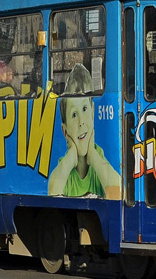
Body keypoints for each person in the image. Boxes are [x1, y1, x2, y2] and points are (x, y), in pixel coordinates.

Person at [48, 64, 121, 199]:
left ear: (92, 112)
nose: (81, 122)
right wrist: (71, 157)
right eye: (74, 115)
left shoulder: (99, 159)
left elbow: (118, 192)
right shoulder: (65, 168)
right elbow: (52, 192)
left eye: (85, 109)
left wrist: (92, 156)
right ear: (65, 131)